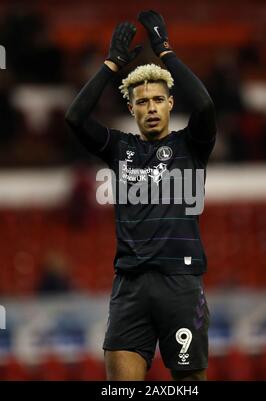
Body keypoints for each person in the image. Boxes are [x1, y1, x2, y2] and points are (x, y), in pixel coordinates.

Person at [65, 10, 216, 381]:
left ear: (170, 104)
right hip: (130, 287)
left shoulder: (191, 145)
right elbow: (75, 117)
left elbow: (206, 105)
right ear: (131, 108)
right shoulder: (119, 148)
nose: (150, 108)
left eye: (157, 100)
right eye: (142, 101)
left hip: (180, 284)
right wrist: (111, 65)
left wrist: (165, 51)